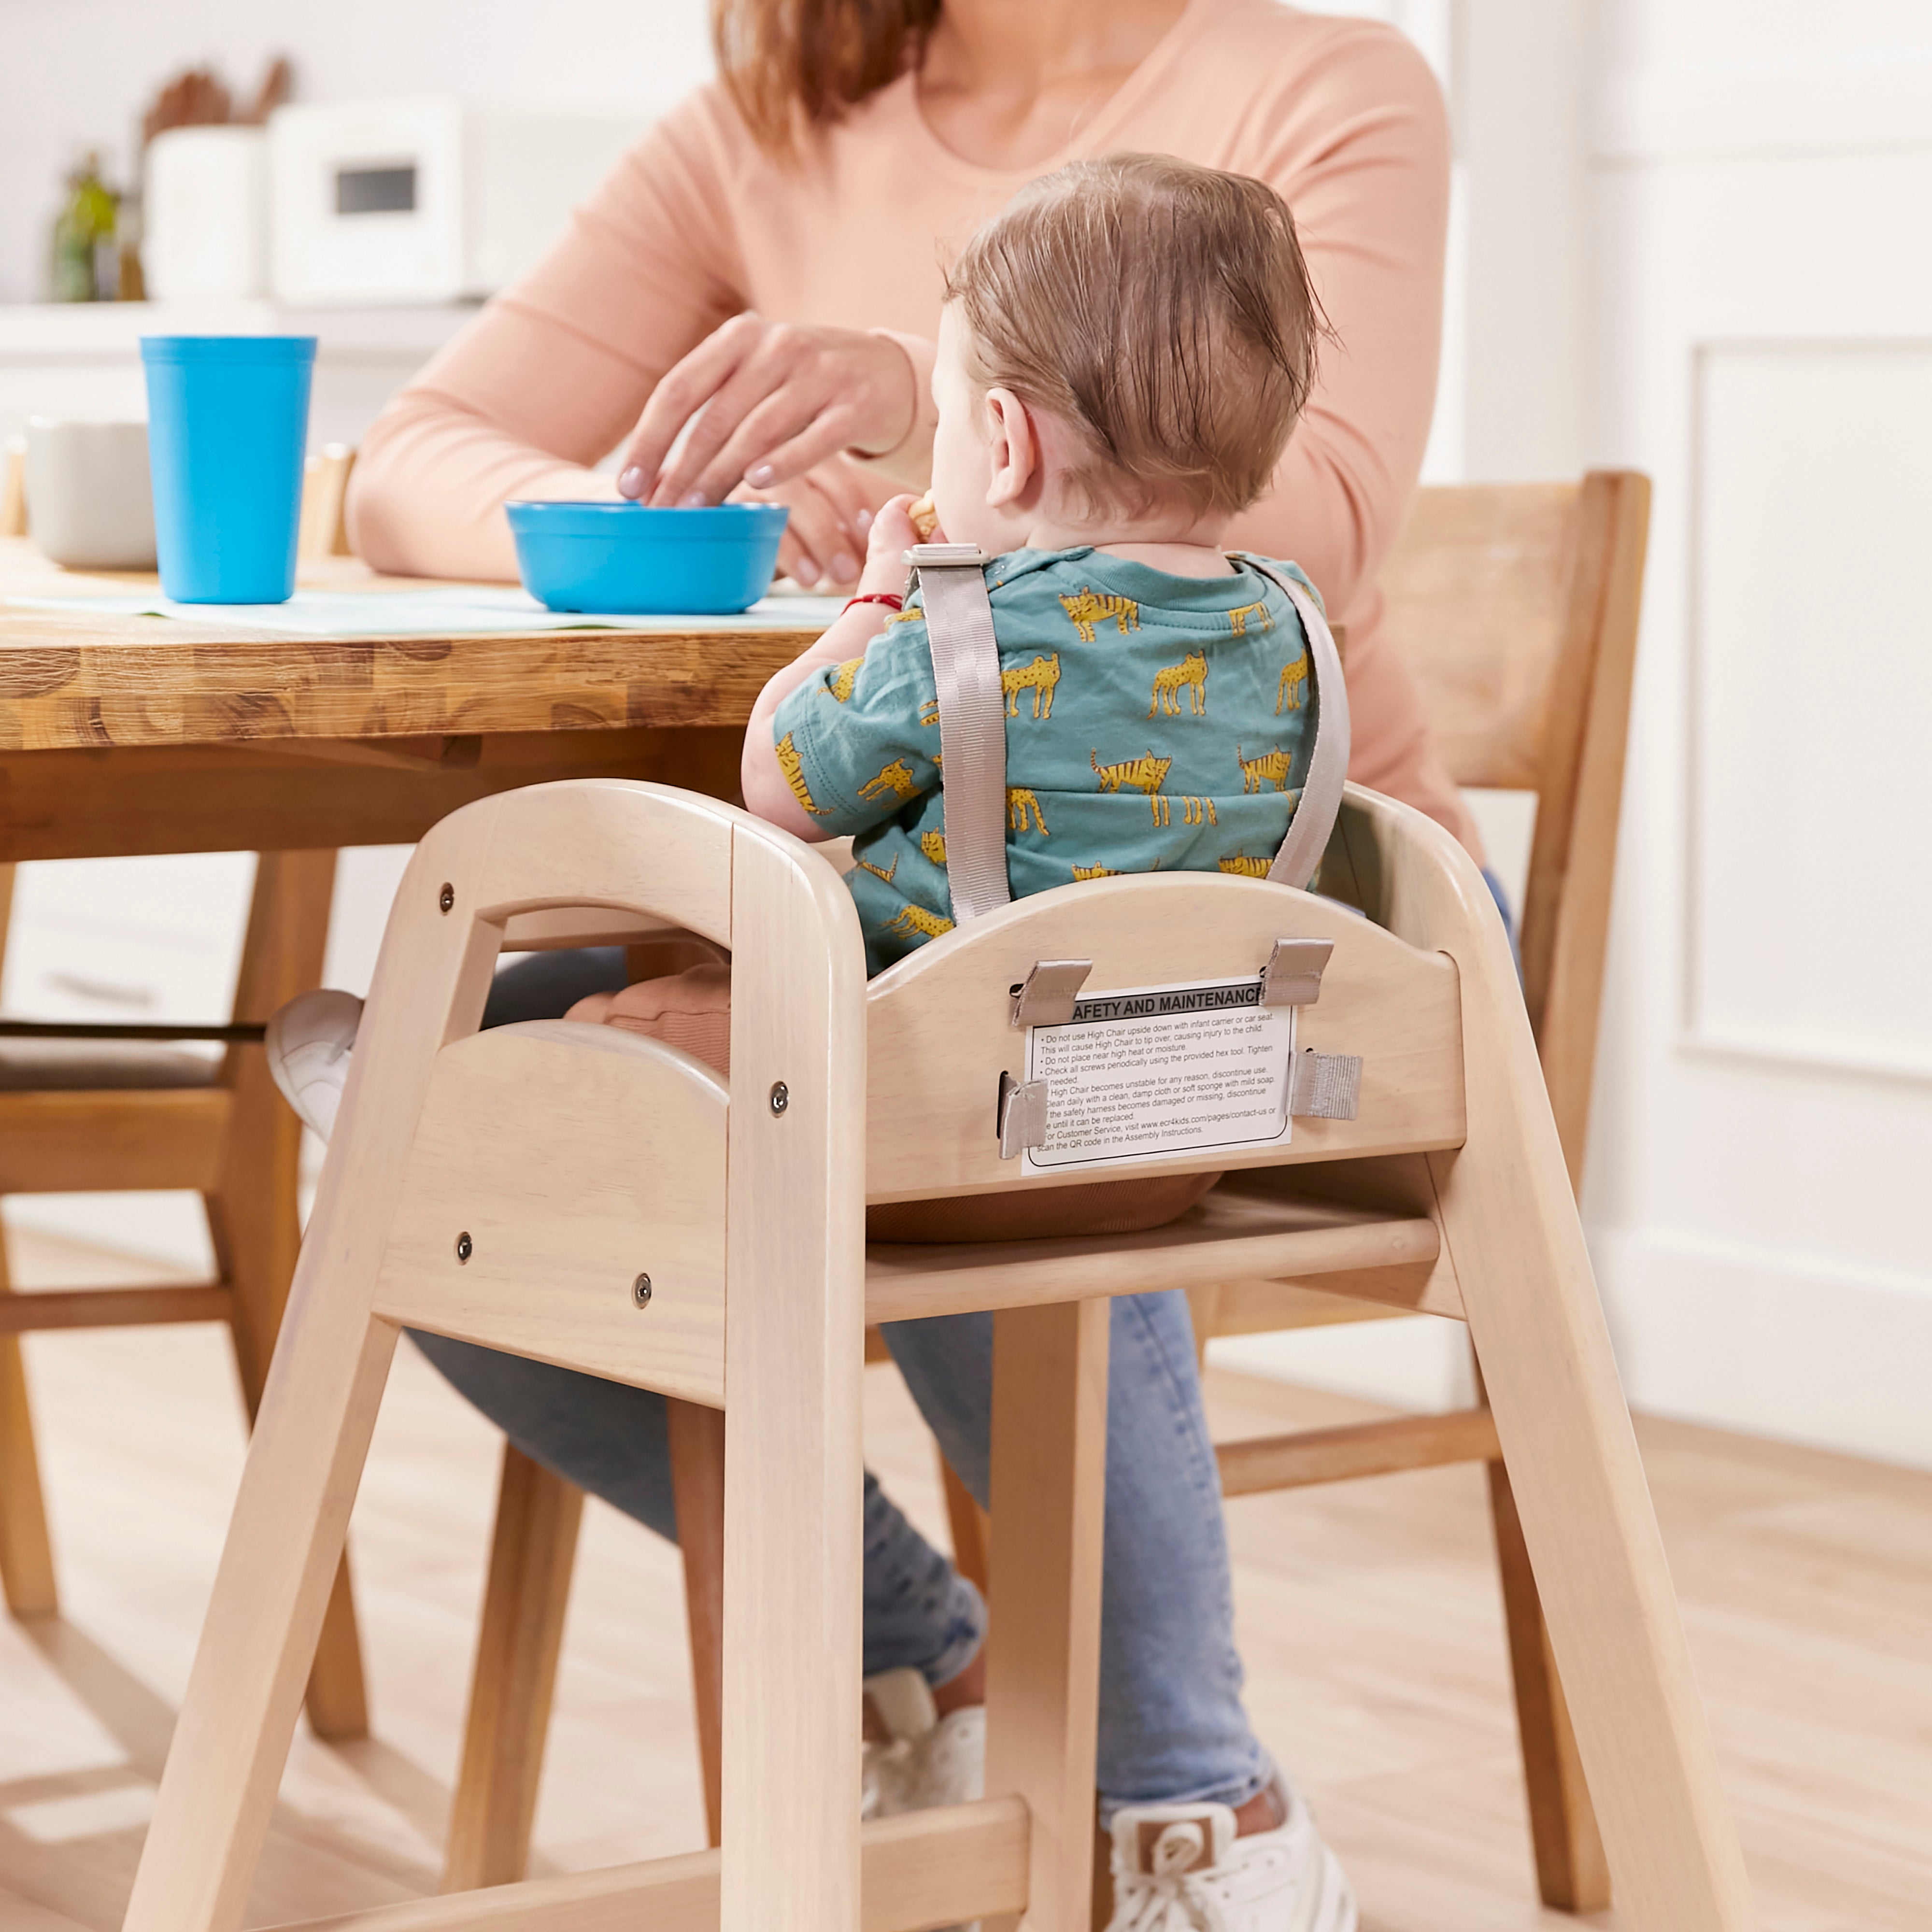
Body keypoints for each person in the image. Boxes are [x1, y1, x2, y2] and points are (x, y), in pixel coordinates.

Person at [280, 153, 1355, 1927]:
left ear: (999, 449)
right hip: (1186, 1118)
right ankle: (1011, 1716)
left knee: (594, 1033)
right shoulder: (1290, 634)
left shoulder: (957, 633)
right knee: (676, 1013)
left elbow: (777, 788)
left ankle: (401, 1093)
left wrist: (874, 601)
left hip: (921, 1109)